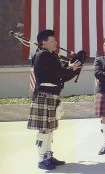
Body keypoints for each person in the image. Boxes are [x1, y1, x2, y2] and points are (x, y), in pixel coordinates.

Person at [27, 29, 81, 170]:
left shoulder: (50, 55)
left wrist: (72, 67)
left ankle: (47, 155)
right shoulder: (44, 55)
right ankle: (41, 159)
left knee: (49, 128)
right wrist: (72, 67)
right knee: (44, 129)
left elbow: (61, 74)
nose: (56, 42)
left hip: (51, 94)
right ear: (44, 42)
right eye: (52, 40)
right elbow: (60, 73)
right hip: (44, 95)